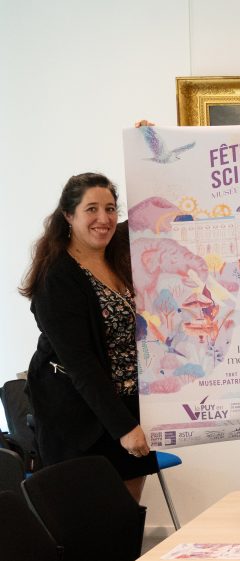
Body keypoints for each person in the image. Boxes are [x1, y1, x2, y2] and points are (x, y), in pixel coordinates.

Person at [22, 173, 155, 500]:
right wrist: (123, 427)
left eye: (110, 209)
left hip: (127, 406)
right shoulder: (57, 278)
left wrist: (150, 144)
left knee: (126, 518)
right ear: (68, 215)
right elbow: (81, 364)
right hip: (81, 419)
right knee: (95, 526)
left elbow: (150, 208)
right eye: (91, 209)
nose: (103, 218)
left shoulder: (117, 251)